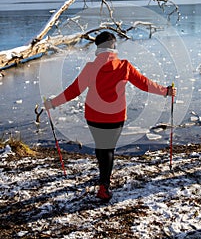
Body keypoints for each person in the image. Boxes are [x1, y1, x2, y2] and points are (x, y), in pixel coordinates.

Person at [44, 31, 176, 201]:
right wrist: (166, 91)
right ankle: (103, 186)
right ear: (114, 47)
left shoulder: (90, 68)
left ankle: (103, 177)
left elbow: (73, 91)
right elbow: (144, 83)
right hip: (115, 116)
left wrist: (53, 103)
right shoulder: (124, 66)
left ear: (97, 48)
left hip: (93, 116)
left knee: (101, 147)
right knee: (108, 150)